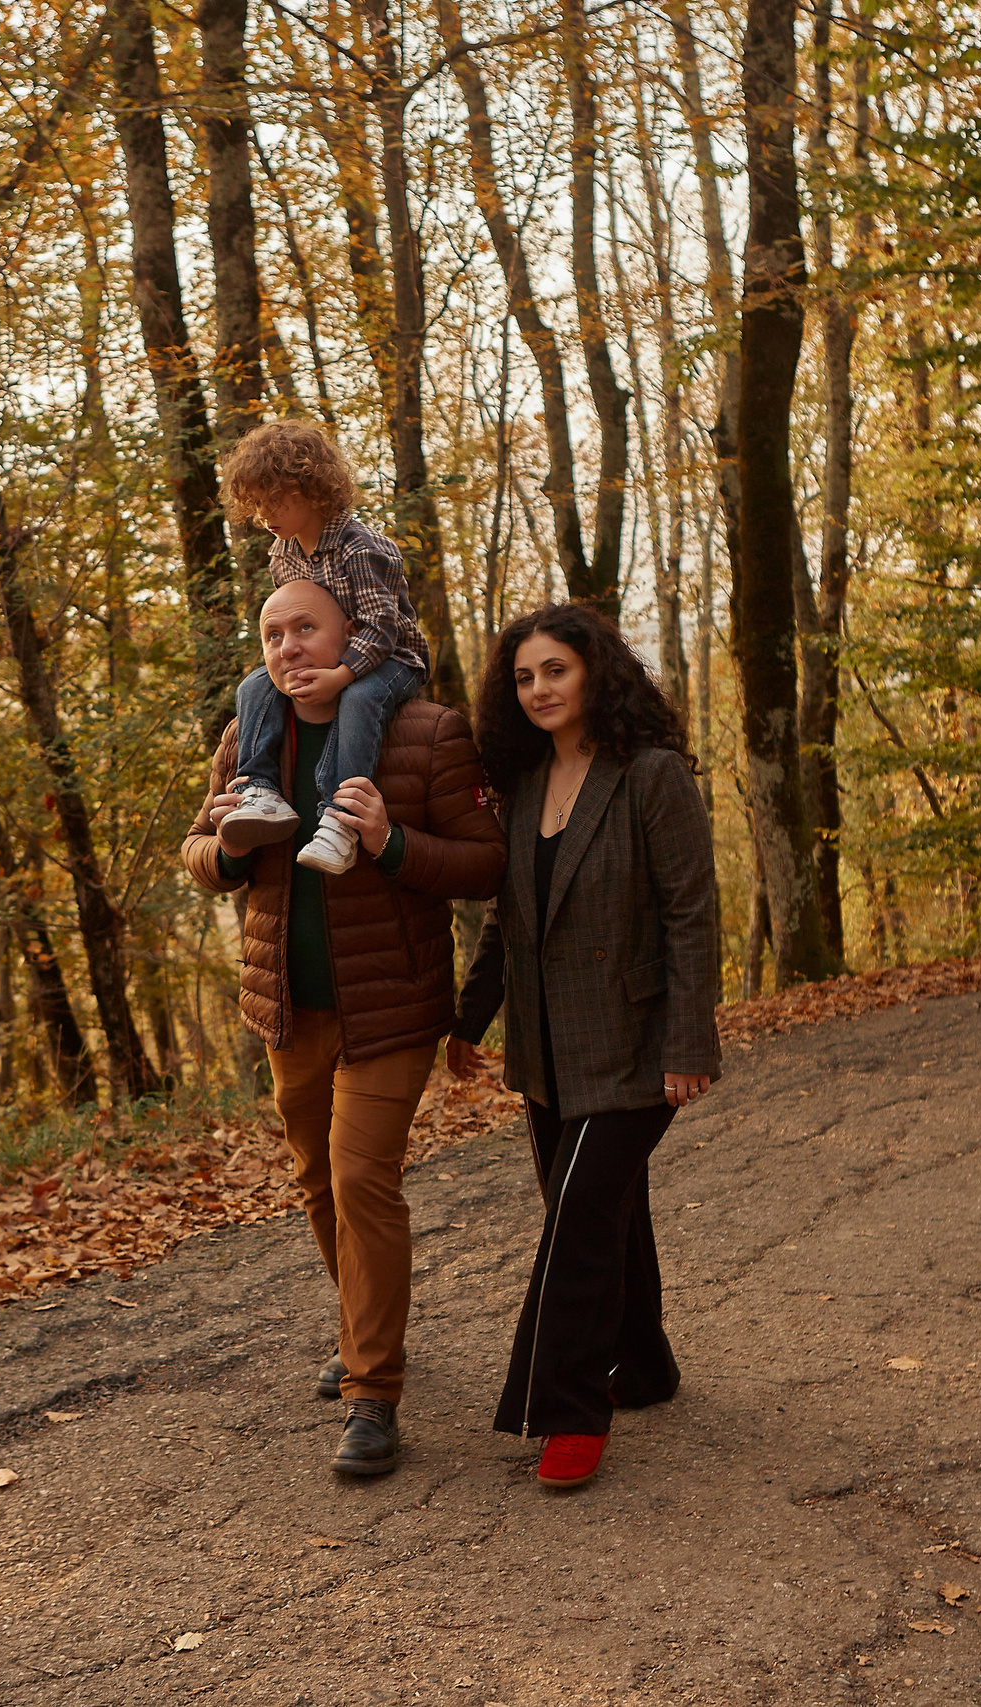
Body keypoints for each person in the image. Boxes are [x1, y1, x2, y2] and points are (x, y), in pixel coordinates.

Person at [182, 579, 504, 1477]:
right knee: (317, 1181)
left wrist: (392, 840)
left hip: (391, 1007)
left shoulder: (427, 731)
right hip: (288, 1006)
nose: (288, 648)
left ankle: (373, 1392)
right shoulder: (250, 736)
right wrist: (231, 851)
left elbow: (486, 863)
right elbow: (199, 850)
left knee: (363, 1178)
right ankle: (367, 1327)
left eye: (306, 628)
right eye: (273, 634)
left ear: (351, 634)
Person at [446, 603, 720, 1491]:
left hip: (636, 1046)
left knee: (574, 1223)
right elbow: (509, 920)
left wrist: (688, 1042)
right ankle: (644, 1365)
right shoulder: (524, 783)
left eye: (554, 670)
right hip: (546, 1051)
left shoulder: (652, 775)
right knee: (602, 1213)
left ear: (595, 670)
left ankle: (567, 1407)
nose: (538, 689)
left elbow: (691, 916)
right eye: (524, 676)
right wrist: (467, 1018)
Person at [213, 421, 434, 878]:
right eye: (256, 503)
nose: (264, 513)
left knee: (360, 696)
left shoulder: (362, 549)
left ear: (311, 489)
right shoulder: (283, 553)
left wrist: (339, 675)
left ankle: (339, 817)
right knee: (256, 685)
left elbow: (382, 628)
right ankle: (261, 788)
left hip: (393, 659)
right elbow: (292, 623)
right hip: (332, 659)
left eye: (274, 499)